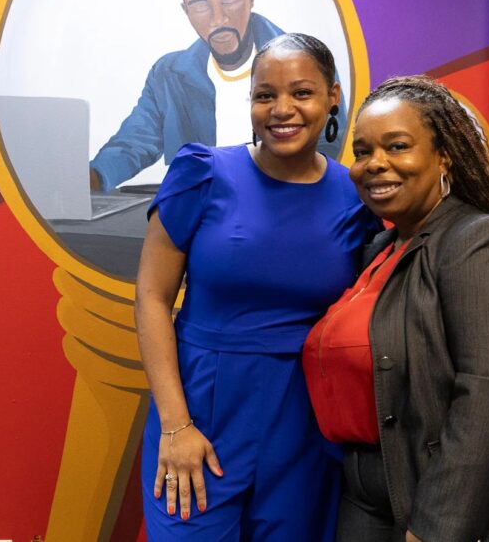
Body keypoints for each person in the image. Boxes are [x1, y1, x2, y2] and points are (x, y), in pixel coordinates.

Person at [303, 76, 489, 541]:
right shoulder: (380, 250)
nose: (375, 164)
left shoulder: (478, 241)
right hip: (374, 489)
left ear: (443, 154)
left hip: (481, 508)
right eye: (364, 150)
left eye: (397, 146)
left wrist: (437, 529)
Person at [135, 33, 379, 540]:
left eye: (302, 93)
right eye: (265, 94)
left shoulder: (357, 198)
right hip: (200, 411)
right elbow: (152, 298)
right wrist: (176, 425)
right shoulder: (202, 173)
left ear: (333, 96)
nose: (281, 109)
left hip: (306, 425)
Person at [89, 0, 348, 191]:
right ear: (186, 10)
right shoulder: (167, 74)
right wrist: (92, 179)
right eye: (200, 4)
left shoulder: (308, 61)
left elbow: (328, 144)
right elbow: (133, 143)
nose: (218, 17)